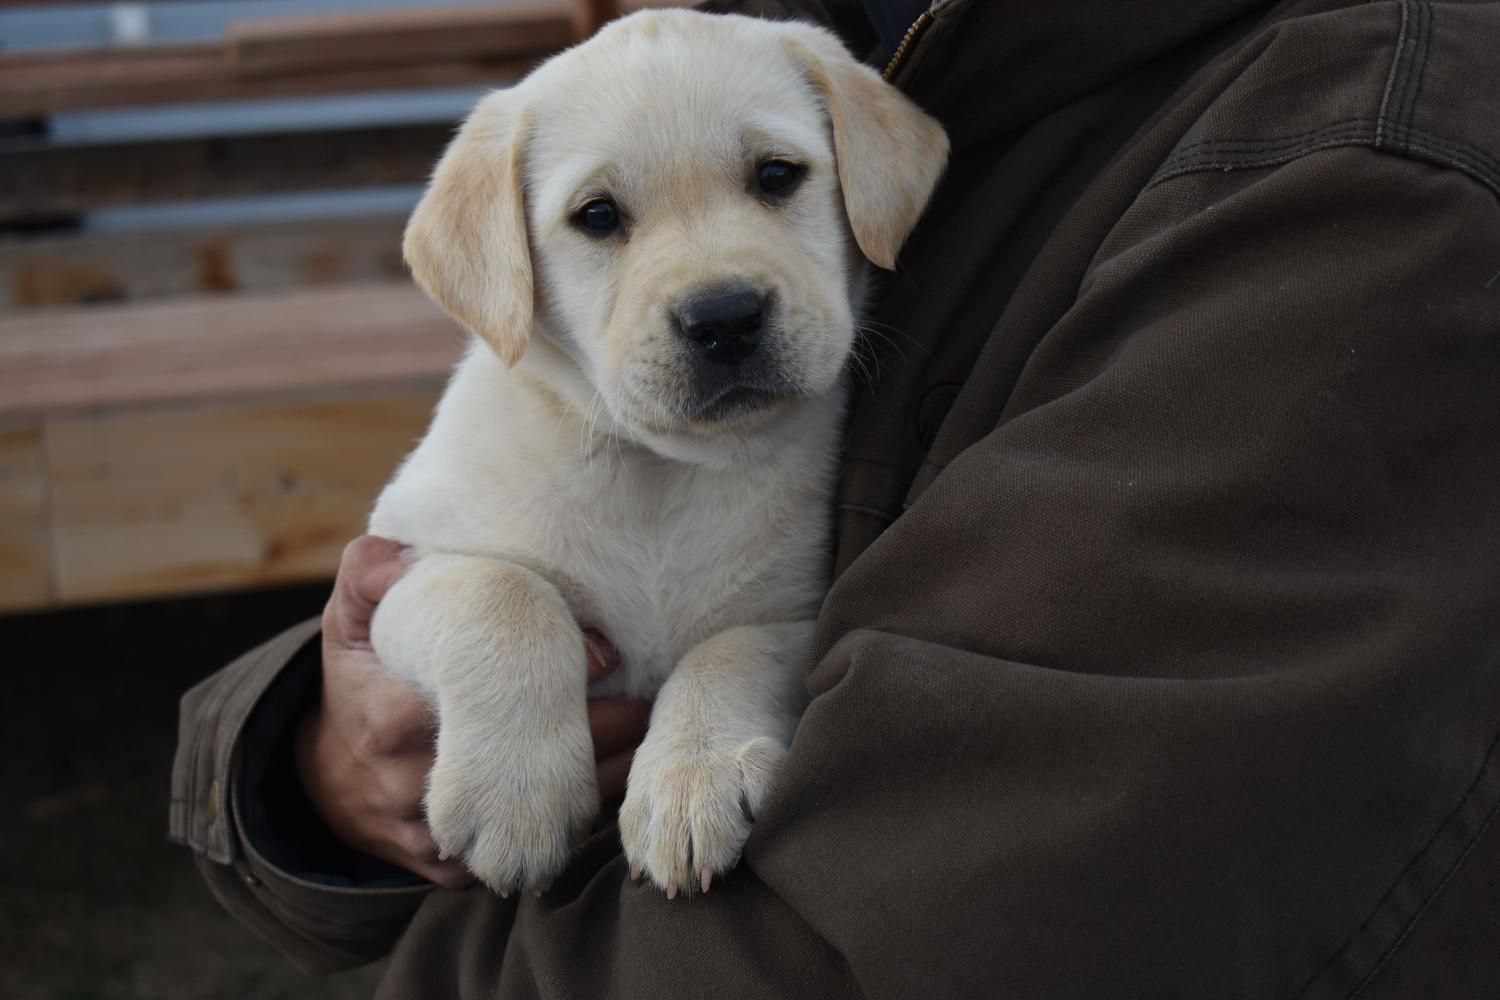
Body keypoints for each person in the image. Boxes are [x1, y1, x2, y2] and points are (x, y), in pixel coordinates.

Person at [171, 0, 1500, 996]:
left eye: (771, 181)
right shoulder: (828, 43)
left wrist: (717, 693)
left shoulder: (1365, 156)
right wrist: (313, 764)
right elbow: (404, 597)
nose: (714, 287)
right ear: (501, 264)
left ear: (856, 169)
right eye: (600, 219)